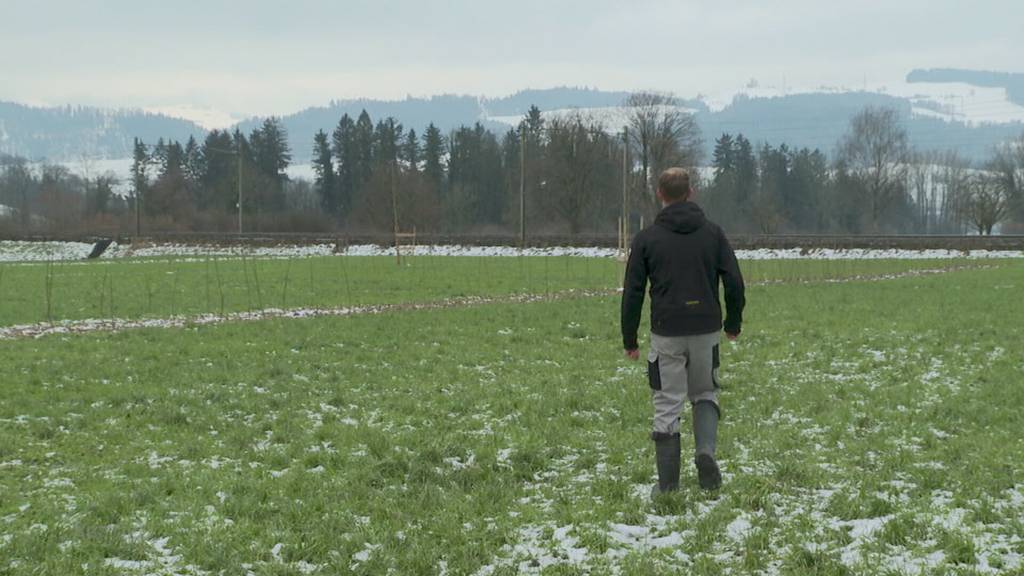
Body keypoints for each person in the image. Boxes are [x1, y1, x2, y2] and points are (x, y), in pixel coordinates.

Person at [621, 168, 745, 496]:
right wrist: (733, 323)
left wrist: (629, 339)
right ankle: (705, 451)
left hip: (667, 331)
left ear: (660, 195)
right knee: (705, 392)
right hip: (706, 328)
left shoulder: (647, 239)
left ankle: (668, 486)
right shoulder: (713, 234)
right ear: (691, 192)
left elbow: (632, 291)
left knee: (667, 402)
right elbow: (734, 280)